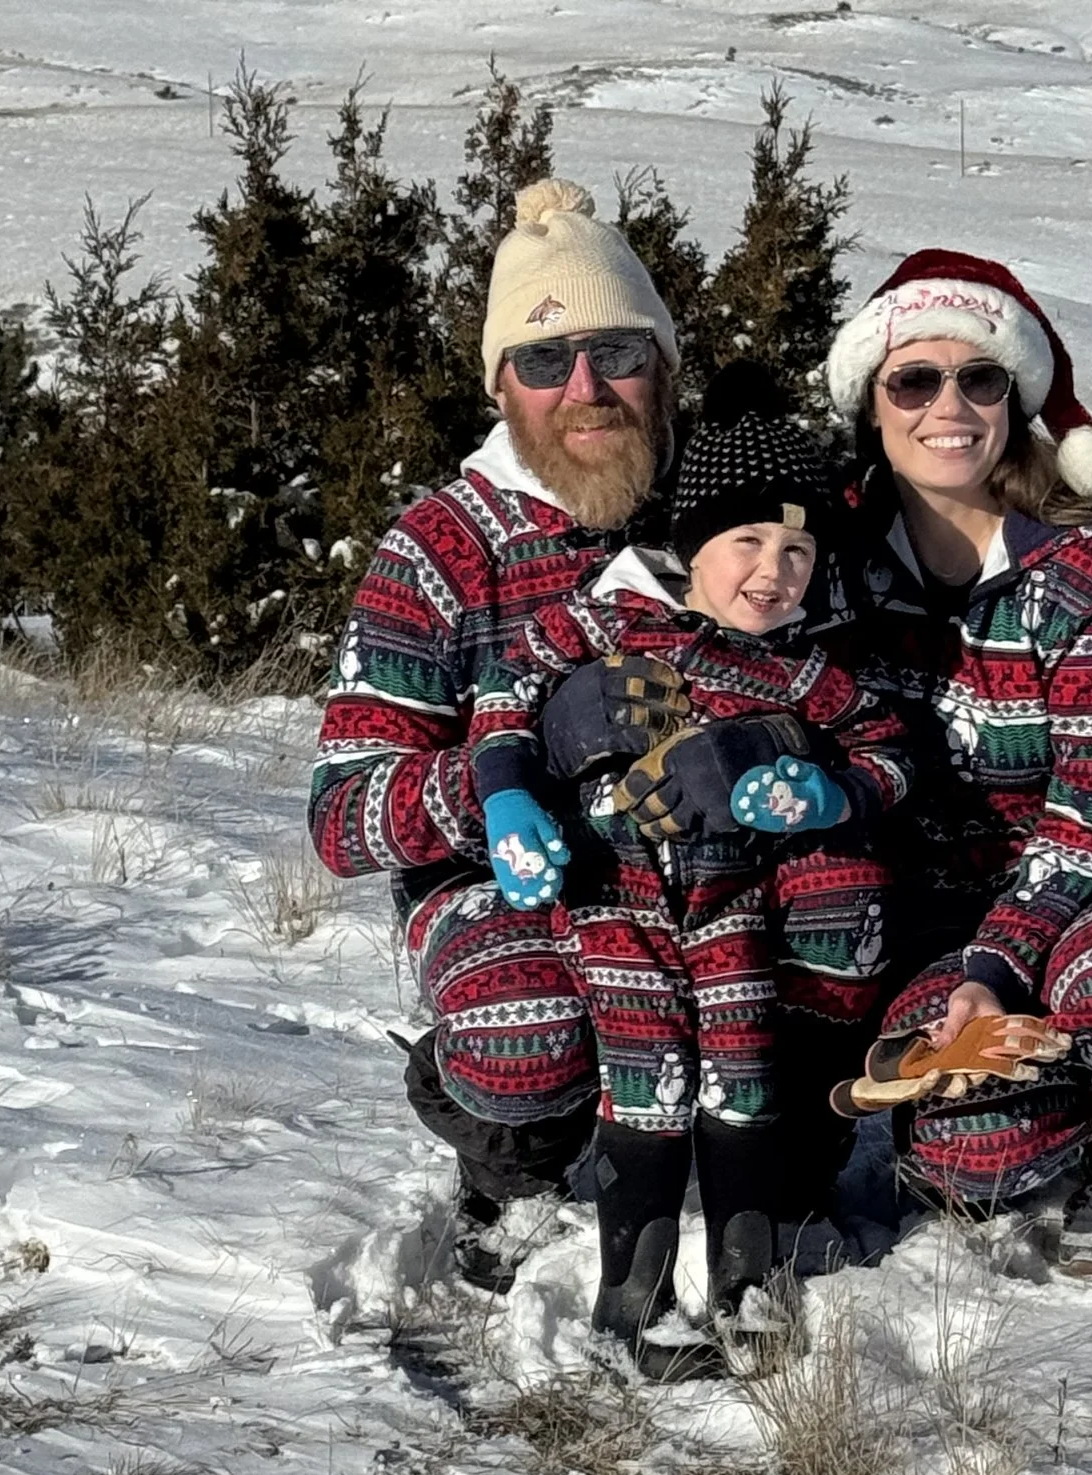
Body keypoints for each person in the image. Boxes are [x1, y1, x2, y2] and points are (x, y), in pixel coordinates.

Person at [307, 180, 877, 1287]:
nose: (585, 387)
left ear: (663, 363)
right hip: (528, 879)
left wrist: (778, 751)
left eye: (617, 350)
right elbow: (342, 817)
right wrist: (514, 768)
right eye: (542, 359)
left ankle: (789, 1154)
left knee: (842, 901)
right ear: (500, 384)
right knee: (525, 1033)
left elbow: (851, 698)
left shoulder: (742, 500)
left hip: (737, 869)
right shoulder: (442, 546)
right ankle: (511, 1161)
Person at [468, 372, 904, 1369]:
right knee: (648, 1084)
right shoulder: (605, 623)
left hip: (731, 906)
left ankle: (748, 1287)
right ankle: (636, 1304)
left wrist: (832, 793)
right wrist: (507, 792)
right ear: (692, 544)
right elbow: (507, 697)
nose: (772, 572)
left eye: (797, 551)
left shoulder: (800, 670)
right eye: (746, 543)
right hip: (612, 899)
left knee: (742, 1082)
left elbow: (888, 749)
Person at [823, 247, 1092, 1258]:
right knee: (973, 1154)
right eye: (913, 380)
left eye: (980, 378)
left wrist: (994, 965)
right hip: (935, 914)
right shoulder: (820, 569)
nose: (948, 406)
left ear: (1014, 401)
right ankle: (1038, 1104)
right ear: (871, 406)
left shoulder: (1091, 573)